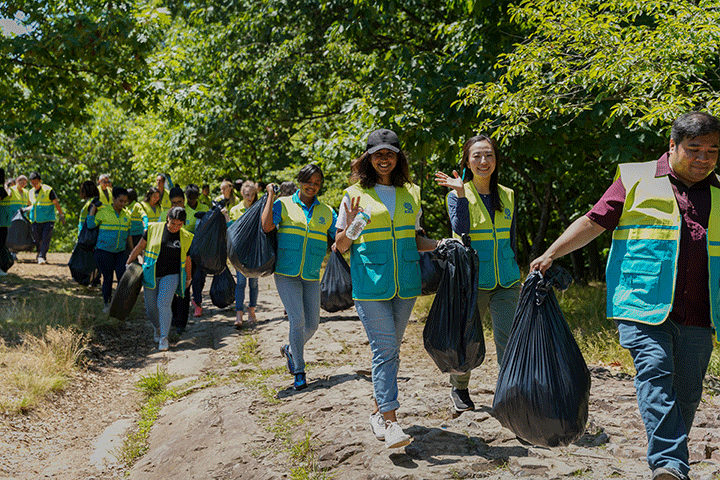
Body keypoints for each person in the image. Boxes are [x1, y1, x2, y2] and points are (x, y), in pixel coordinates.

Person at [530, 112, 720, 480]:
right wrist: (552, 252)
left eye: (712, 150)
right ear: (672, 146)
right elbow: (593, 221)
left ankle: (671, 458)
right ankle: (669, 465)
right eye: (694, 148)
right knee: (654, 372)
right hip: (642, 302)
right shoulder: (635, 178)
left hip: (701, 310)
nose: (703, 158)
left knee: (687, 392)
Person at [334, 129, 439, 449]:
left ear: (398, 157)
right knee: (384, 350)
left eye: (390, 153)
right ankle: (392, 423)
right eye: (377, 153)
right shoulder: (354, 194)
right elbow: (340, 245)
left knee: (390, 351)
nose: (384, 158)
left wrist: (443, 244)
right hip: (370, 285)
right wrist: (353, 223)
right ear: (368, 158)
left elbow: (416, 238)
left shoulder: (412, 193)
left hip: (406, 283)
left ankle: (378, 412)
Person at [434, 134, 521, 415]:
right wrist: (460, 194)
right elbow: (461, 230)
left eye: (489, 155)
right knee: (467, 337)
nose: (484, 161)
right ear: (467, 162)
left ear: (496, 160)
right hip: (472, 280)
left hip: (506, 278)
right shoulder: (457, 194)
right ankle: (459, 387)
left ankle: (509, 395)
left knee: (508, 340)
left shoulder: (508, 194)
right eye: (477, 156)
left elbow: (512, 236)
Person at [261, 164, 337, 391]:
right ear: (299, 180)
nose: (312, 186)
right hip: (286, 272)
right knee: (297, 320)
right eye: (308, 182)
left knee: (313, 325)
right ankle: (299, 371)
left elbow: (339, 238)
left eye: (317, 183)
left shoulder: (326, 212)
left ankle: (291, 349)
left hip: (312, 274)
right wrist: (270, 195)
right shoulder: (283, 205)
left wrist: (353, 222)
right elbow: (266, 227)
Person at [127, 207, 193, 351]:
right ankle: (157, 328)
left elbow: (187, 259)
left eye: (179, 224)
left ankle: (164, 337)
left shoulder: (186, 237)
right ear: (167, 218)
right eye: (173, 223)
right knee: (151, 307)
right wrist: (129, 263)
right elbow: (140, 247)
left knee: (163, 303)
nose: (175, 227)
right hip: (151, 273)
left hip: (172, 275)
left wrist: (188, 277)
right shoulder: (153, 229)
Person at [87, 187, 133, 311]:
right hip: (103, 251)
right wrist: (93, 208)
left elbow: (128, 234)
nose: (123, 204)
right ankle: (107, 304)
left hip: (120, 252)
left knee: (122, 278)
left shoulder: (127, 214)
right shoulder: (103, 212)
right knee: (107, 278)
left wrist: (133, 251)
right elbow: (90, 225)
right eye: (120, 201)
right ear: (114, 199)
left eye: (125, 201)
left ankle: (119, 305)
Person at [229, 180, 260, 327]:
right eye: (247, 194)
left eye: (252, 195)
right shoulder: (235, 210)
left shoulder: (258, 208)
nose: (249, 197)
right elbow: (232, 230)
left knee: (253, 283)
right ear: (242, 193)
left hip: (254, 252)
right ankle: (238, 314)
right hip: (240, 252)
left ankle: (251, 310)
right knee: (240, 283)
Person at [27, 172, 65, 264]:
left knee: (45, 238)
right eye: (32, 183)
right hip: (35, 220)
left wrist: (61, 215)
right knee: (37, 239)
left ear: (40, 181)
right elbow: (30, 205)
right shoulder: (30, 192)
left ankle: (42, 256)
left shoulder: (48, 190)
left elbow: (56, 203)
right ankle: (40, 253)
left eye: (36, 182)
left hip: (48, 219)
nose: (34, 185)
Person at [185, 184, 210, 317]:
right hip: (187, 250)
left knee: (200, 277)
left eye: (195, 198)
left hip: (201, 249)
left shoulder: (204, 209)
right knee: (191, 277)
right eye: (190, 198)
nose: (192, 201)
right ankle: (196, 303)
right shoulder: (183, 210)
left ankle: (196, 300)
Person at [0, 174, 29, 274]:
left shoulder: (26, 192)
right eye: (21, 182)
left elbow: (29, 203)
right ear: (17, 181)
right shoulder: (11, 189)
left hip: (21, 218)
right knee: (8, 237)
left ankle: (13, 253)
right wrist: (6, 187)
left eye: (25, 183)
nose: (23, 184)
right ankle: (9, 254)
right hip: (10, 217)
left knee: (16, 236)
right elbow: (8, 195)